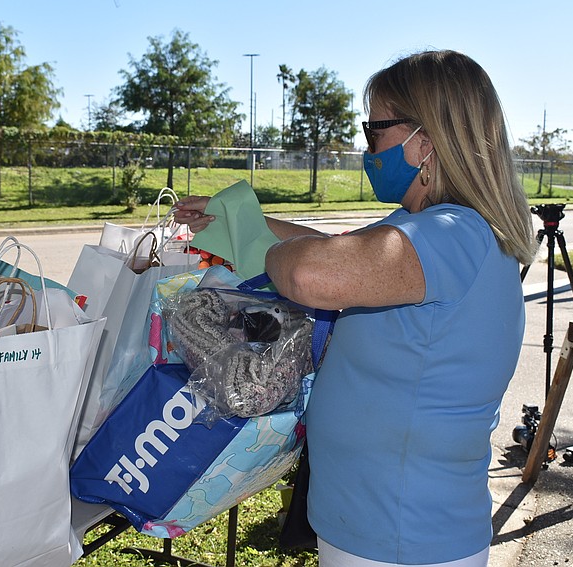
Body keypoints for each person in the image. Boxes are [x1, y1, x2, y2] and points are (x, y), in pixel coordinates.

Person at [174, 50, 537, 566]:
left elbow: (311, 272)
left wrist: (273, 254)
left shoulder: (451, 234)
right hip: (376, 525)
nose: (366, 149)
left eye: (375, 133)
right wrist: (234, 221)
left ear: (426, 143)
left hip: (400, 537)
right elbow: (332, 249)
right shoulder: (430, 231)